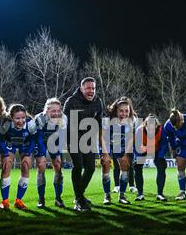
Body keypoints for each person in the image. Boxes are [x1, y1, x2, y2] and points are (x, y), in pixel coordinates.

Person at [63, 77, 104, 212]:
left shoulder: (98, 101)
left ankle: (78, 195)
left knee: (91, 168)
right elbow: (64, 123)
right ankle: (80, 200)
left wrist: (100, 144)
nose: (91, 91)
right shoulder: (71, 101)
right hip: (73, 137)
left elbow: (98, 124)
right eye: (88, 88)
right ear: (81, 88)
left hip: (89, 139)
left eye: (93, 88)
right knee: (78, 165)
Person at [0, 104, 36, 211]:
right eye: (17, 118)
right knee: (6, 166)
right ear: (11, 117)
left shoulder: (31, 123)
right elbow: (0, 138)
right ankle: (4, 201)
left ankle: (19, 201)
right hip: (10, 143)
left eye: (23, 117)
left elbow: (33, 139)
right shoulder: (6, 123)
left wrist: (28, 154)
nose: (21, 121)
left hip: (25, 144)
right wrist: (5, 153)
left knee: (26, 166)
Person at [34, 98, 68, 209]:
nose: (56, 113)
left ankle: (58, 198)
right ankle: (41, 198)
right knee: (41, 166)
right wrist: (42, 155)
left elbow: (61, 136)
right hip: (41, 142)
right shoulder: (40, 118)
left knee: (58, 165)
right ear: (47, 110)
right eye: (53, 111)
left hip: (55, 141)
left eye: (58, 110)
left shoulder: (63, 118)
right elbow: (39, 139)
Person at [101, 97, 136, 205]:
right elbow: (101, 136)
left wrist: (126, 154)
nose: (124, 113)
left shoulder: (133, 121)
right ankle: (107, 196)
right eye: (121, 111)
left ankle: (122, 196)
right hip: (107, 143)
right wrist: (106, 154)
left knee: (125, 165)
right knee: (106, 164)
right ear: (116, 110)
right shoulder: (107, 121)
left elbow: (131, 138)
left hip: (122, 145)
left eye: (127, 111)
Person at [141, 114, 169, 202]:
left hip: (157, 149)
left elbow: (164, 144)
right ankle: (139, 193)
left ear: (156, 126)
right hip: (143, 148)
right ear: (145, 125)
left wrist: (160, 157)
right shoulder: (139, 131)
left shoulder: (161, 130)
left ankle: (160, 193)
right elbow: (137, 146)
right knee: (137, 166)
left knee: (162, 166)